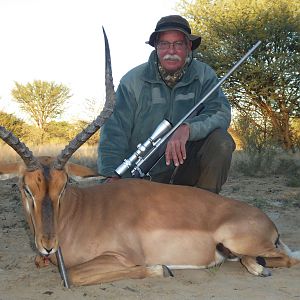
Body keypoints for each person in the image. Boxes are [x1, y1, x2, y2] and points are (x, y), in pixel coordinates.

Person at [97, 15, 235, 194]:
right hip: (143, 175)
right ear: (156, 46)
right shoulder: (132, 81)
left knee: (221, 142)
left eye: (178, 44)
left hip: (185, 169)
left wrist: (188, 129)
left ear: (188, 46)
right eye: (164, 44)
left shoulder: (204, 74)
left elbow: (220, 112)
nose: (171, 50)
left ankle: (203, 207)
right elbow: (113, 133)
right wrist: (111, 173)